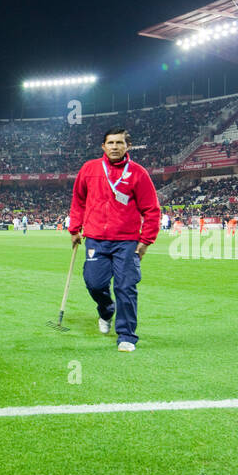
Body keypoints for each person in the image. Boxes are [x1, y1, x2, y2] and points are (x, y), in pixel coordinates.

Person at [69, 127, 161, 352]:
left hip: (127, 241)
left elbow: (152, 209)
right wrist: (74, 228)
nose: (115, 147)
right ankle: (106, 309)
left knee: (126, 286)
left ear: (127, 146)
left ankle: (127, 335)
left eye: (120, 143)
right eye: (110, 143)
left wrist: (146, 240)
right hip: (96, 239)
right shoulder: (89, 169)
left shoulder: (138, 173)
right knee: (94, 283)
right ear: (103, 146)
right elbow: (78, 200)